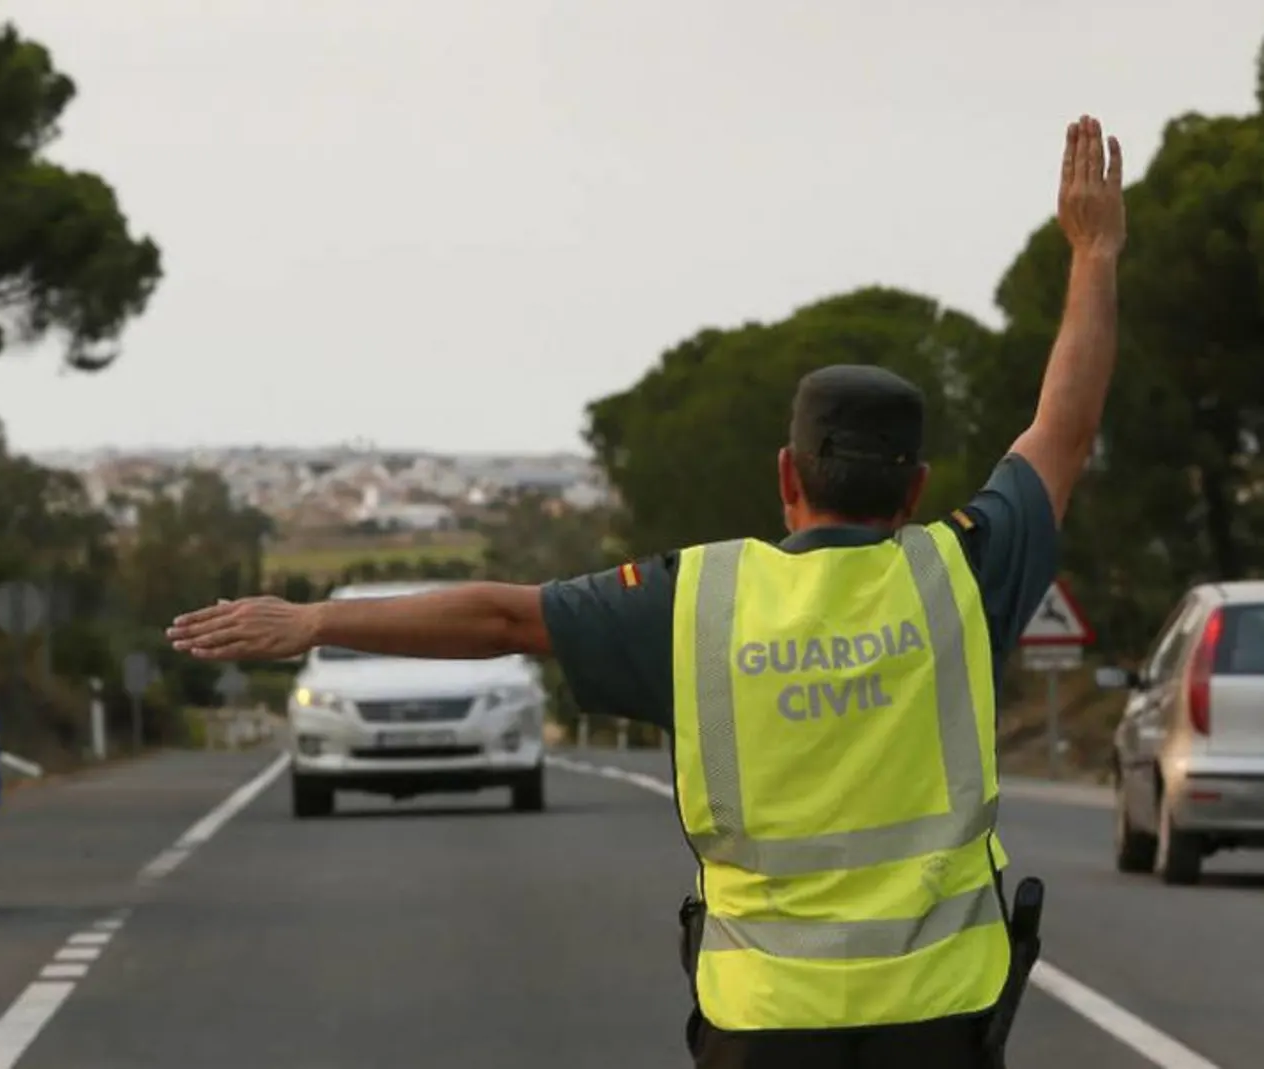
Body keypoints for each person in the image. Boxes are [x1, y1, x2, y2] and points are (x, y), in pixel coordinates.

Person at [167, 113, 1125, 1068]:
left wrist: (316, 619)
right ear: (915, 489)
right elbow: (1064, 428)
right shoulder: (961, 571)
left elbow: (501, 614)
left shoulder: (694, 600)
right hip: (938, 1022)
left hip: (761, 1027)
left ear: (786, 476)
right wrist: (1093, 253)